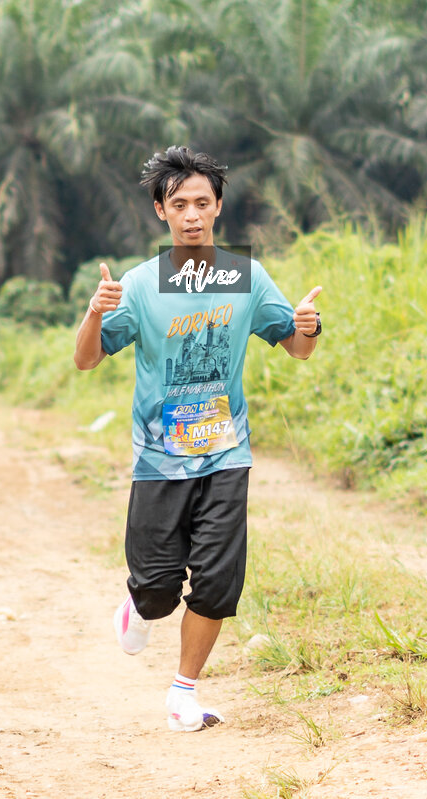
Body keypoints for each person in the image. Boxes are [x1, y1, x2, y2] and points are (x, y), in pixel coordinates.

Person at [74, 145, 322, 732]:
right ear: (161, 210)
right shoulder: (140, 284)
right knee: (158, 590)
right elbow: (87, 359)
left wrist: (308, 327)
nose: (192, 214)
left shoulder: (245, 277)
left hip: (226, 452)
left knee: (216, 581)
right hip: (159, 460)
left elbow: (297, 348)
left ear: (218, 208)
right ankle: (140, 606)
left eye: (202, 203)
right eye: (179, 204)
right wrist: (94, 312)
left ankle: (183, 693)